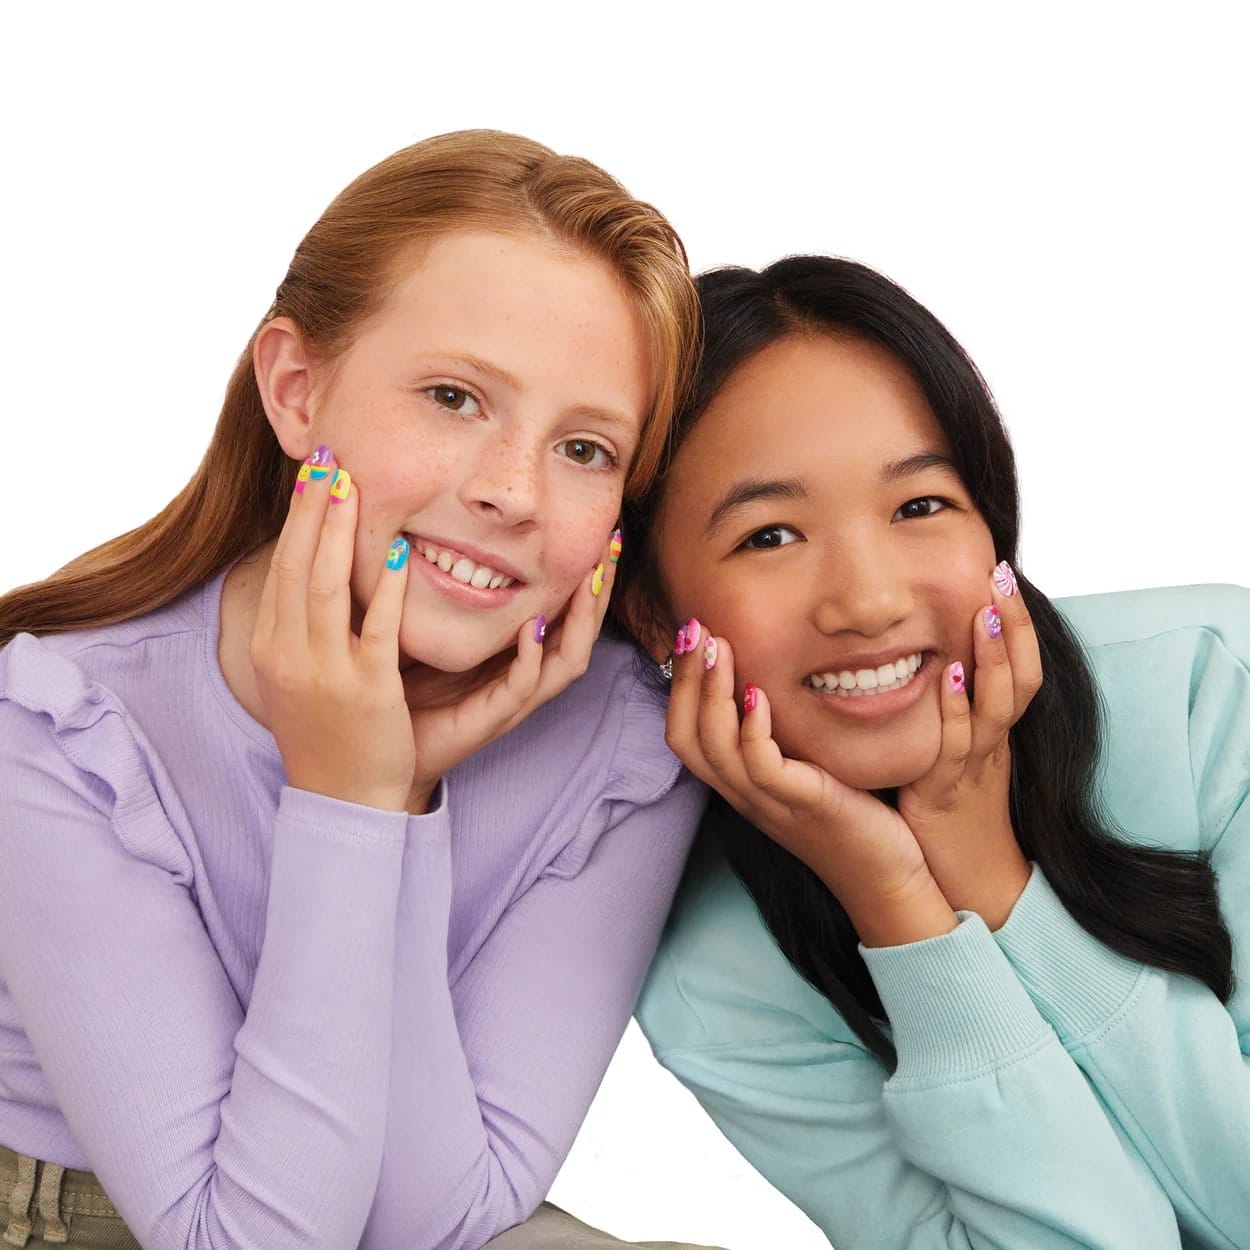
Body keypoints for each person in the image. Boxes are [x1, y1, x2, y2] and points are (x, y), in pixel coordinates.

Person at [0, 130, 719, 1250]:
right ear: (296, 391)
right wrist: (344, 799)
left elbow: (437, 1219)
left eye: (585, 449)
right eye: (454, 396)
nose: (513, 492)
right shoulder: (63, 727)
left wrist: (400, 800)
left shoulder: (624, 742)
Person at [616, 256, 1250, 1248]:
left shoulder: (1211, 691)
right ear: (657, 615)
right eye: (770, 535)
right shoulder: (713, 965)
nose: (868, 601)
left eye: (919, 506)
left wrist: (992, 877)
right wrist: (900, 907)